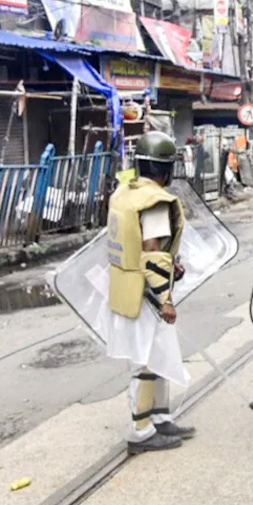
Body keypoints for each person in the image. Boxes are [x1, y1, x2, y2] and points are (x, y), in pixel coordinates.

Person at [104, 131, 197, 454]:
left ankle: (159, 416)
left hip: (128, 287)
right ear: (167, 169)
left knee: (157, 355)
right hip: (145, 294)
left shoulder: (124, 194)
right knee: (144, 361)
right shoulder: (154, 202)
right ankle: (141, 431)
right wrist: (166, 298)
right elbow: (152, 252)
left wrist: (172, 268)